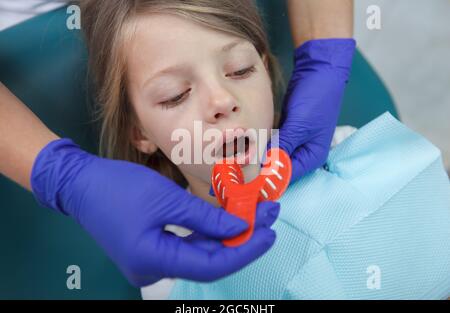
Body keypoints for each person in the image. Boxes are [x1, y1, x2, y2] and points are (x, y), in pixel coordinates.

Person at [0, 0, 355, 288]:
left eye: (240, 70)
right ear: (139, 132)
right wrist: (61, 175)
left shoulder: (348, 151)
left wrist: (325, 60)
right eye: (176, 95)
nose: (222, 101)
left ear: (266, 68)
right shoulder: (172, 269)